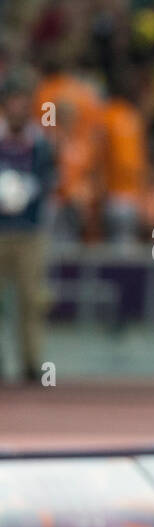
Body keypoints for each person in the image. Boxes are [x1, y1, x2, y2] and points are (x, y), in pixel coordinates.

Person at [0, 69, 56, 384]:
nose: (19, 108)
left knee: (31, 301)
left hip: (30, 232)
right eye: (14, 101)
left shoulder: (40, 143)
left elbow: (49, 180)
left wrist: (28, 190)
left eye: (25, 102)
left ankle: (32, 364)